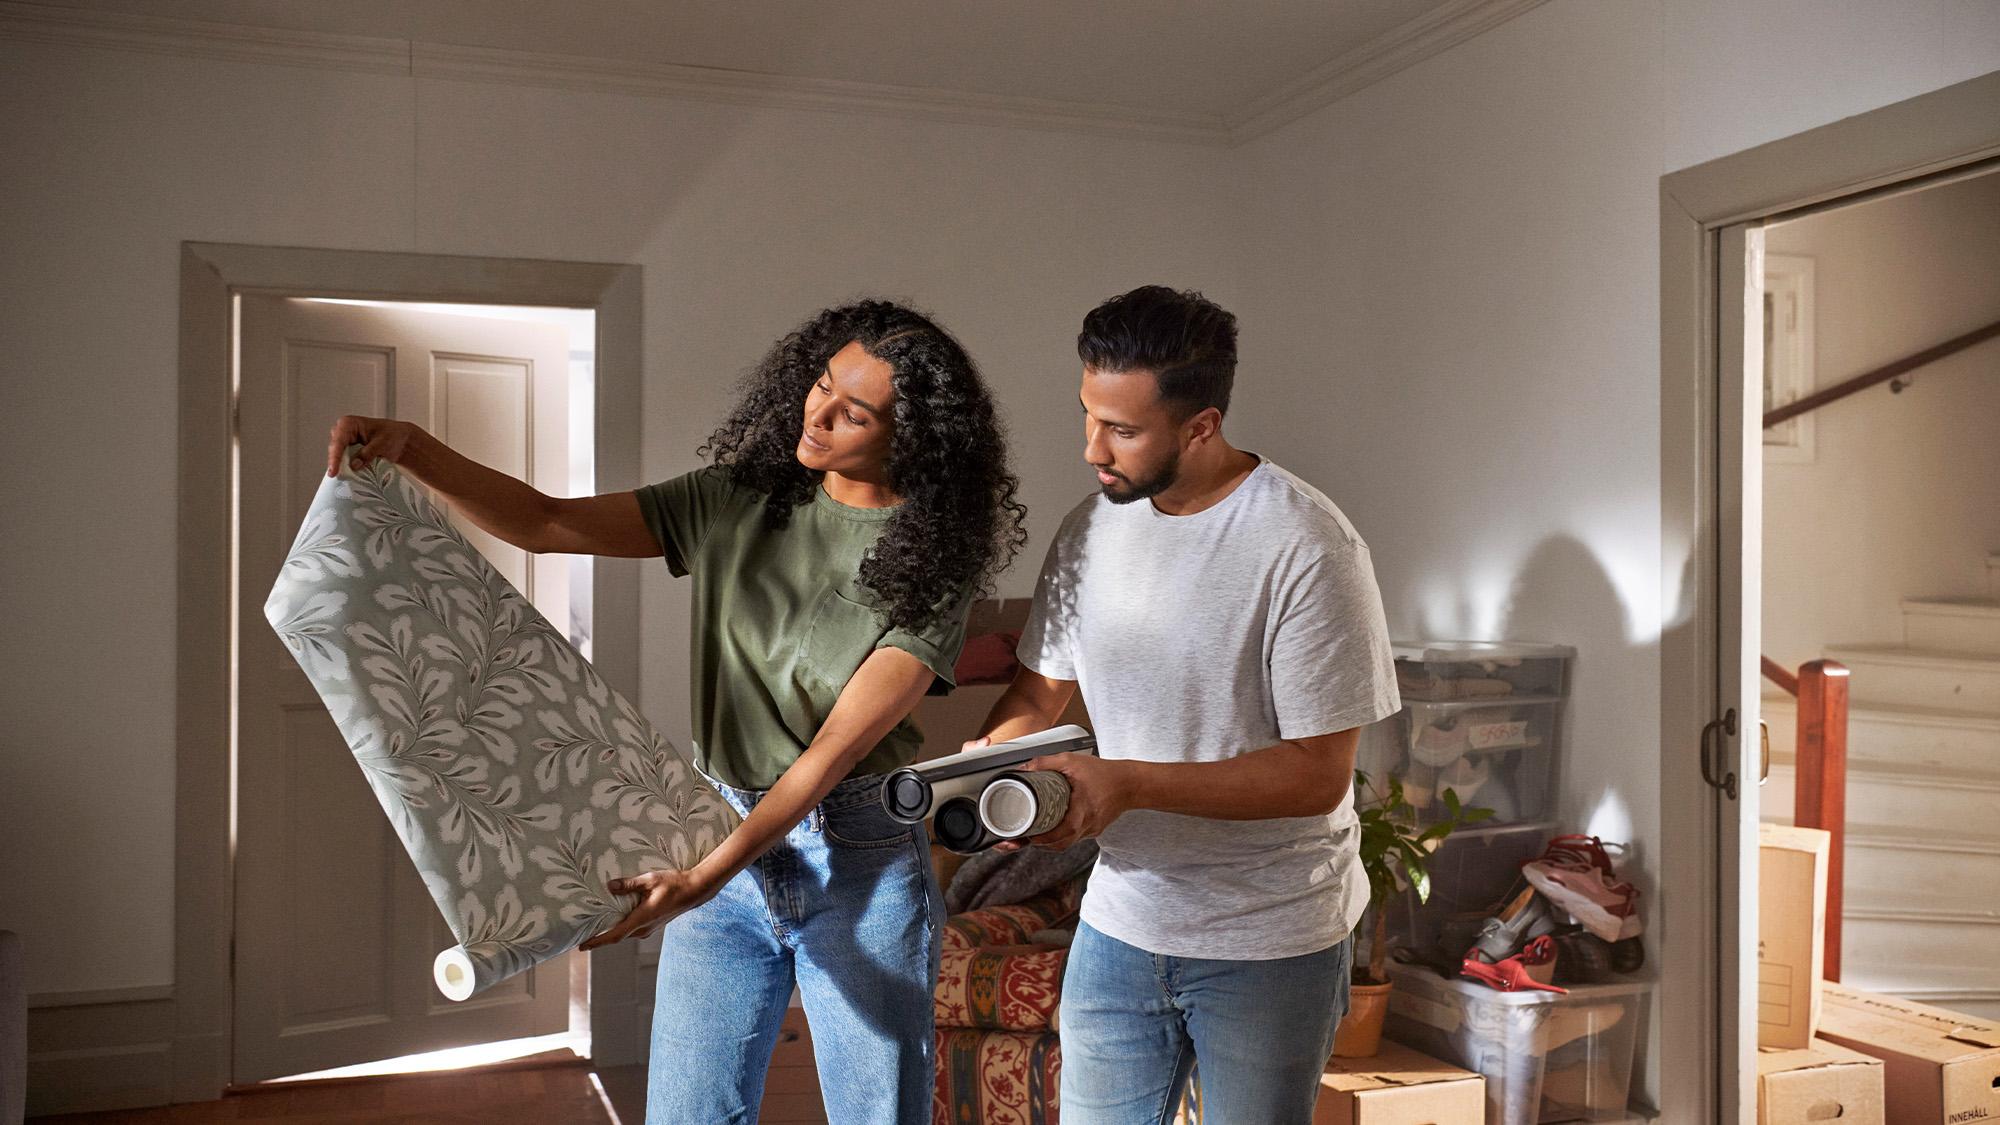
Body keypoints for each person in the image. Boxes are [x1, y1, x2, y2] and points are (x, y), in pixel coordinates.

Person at [326, 300, 1027, 1124]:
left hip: (860, 863)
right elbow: (547, 521)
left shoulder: (930, 557)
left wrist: (707, 871)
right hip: (715, 826)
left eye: (855, 411)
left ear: (910, 439)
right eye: (822, 385)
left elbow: (831, 752)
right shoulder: (734, 499)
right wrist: (415, 450)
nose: (820, 413)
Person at [971, 286, 1399, 1123]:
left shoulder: (1308, 545)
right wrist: (983, 776)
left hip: (1270, 940)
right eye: (1089, 415)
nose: (1092, 447)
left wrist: (1125, 783)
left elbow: (1316, 774)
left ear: (1201, 424)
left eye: (1122, 430)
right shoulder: (1089, 530)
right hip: (1119, 924)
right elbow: (1038, 691)